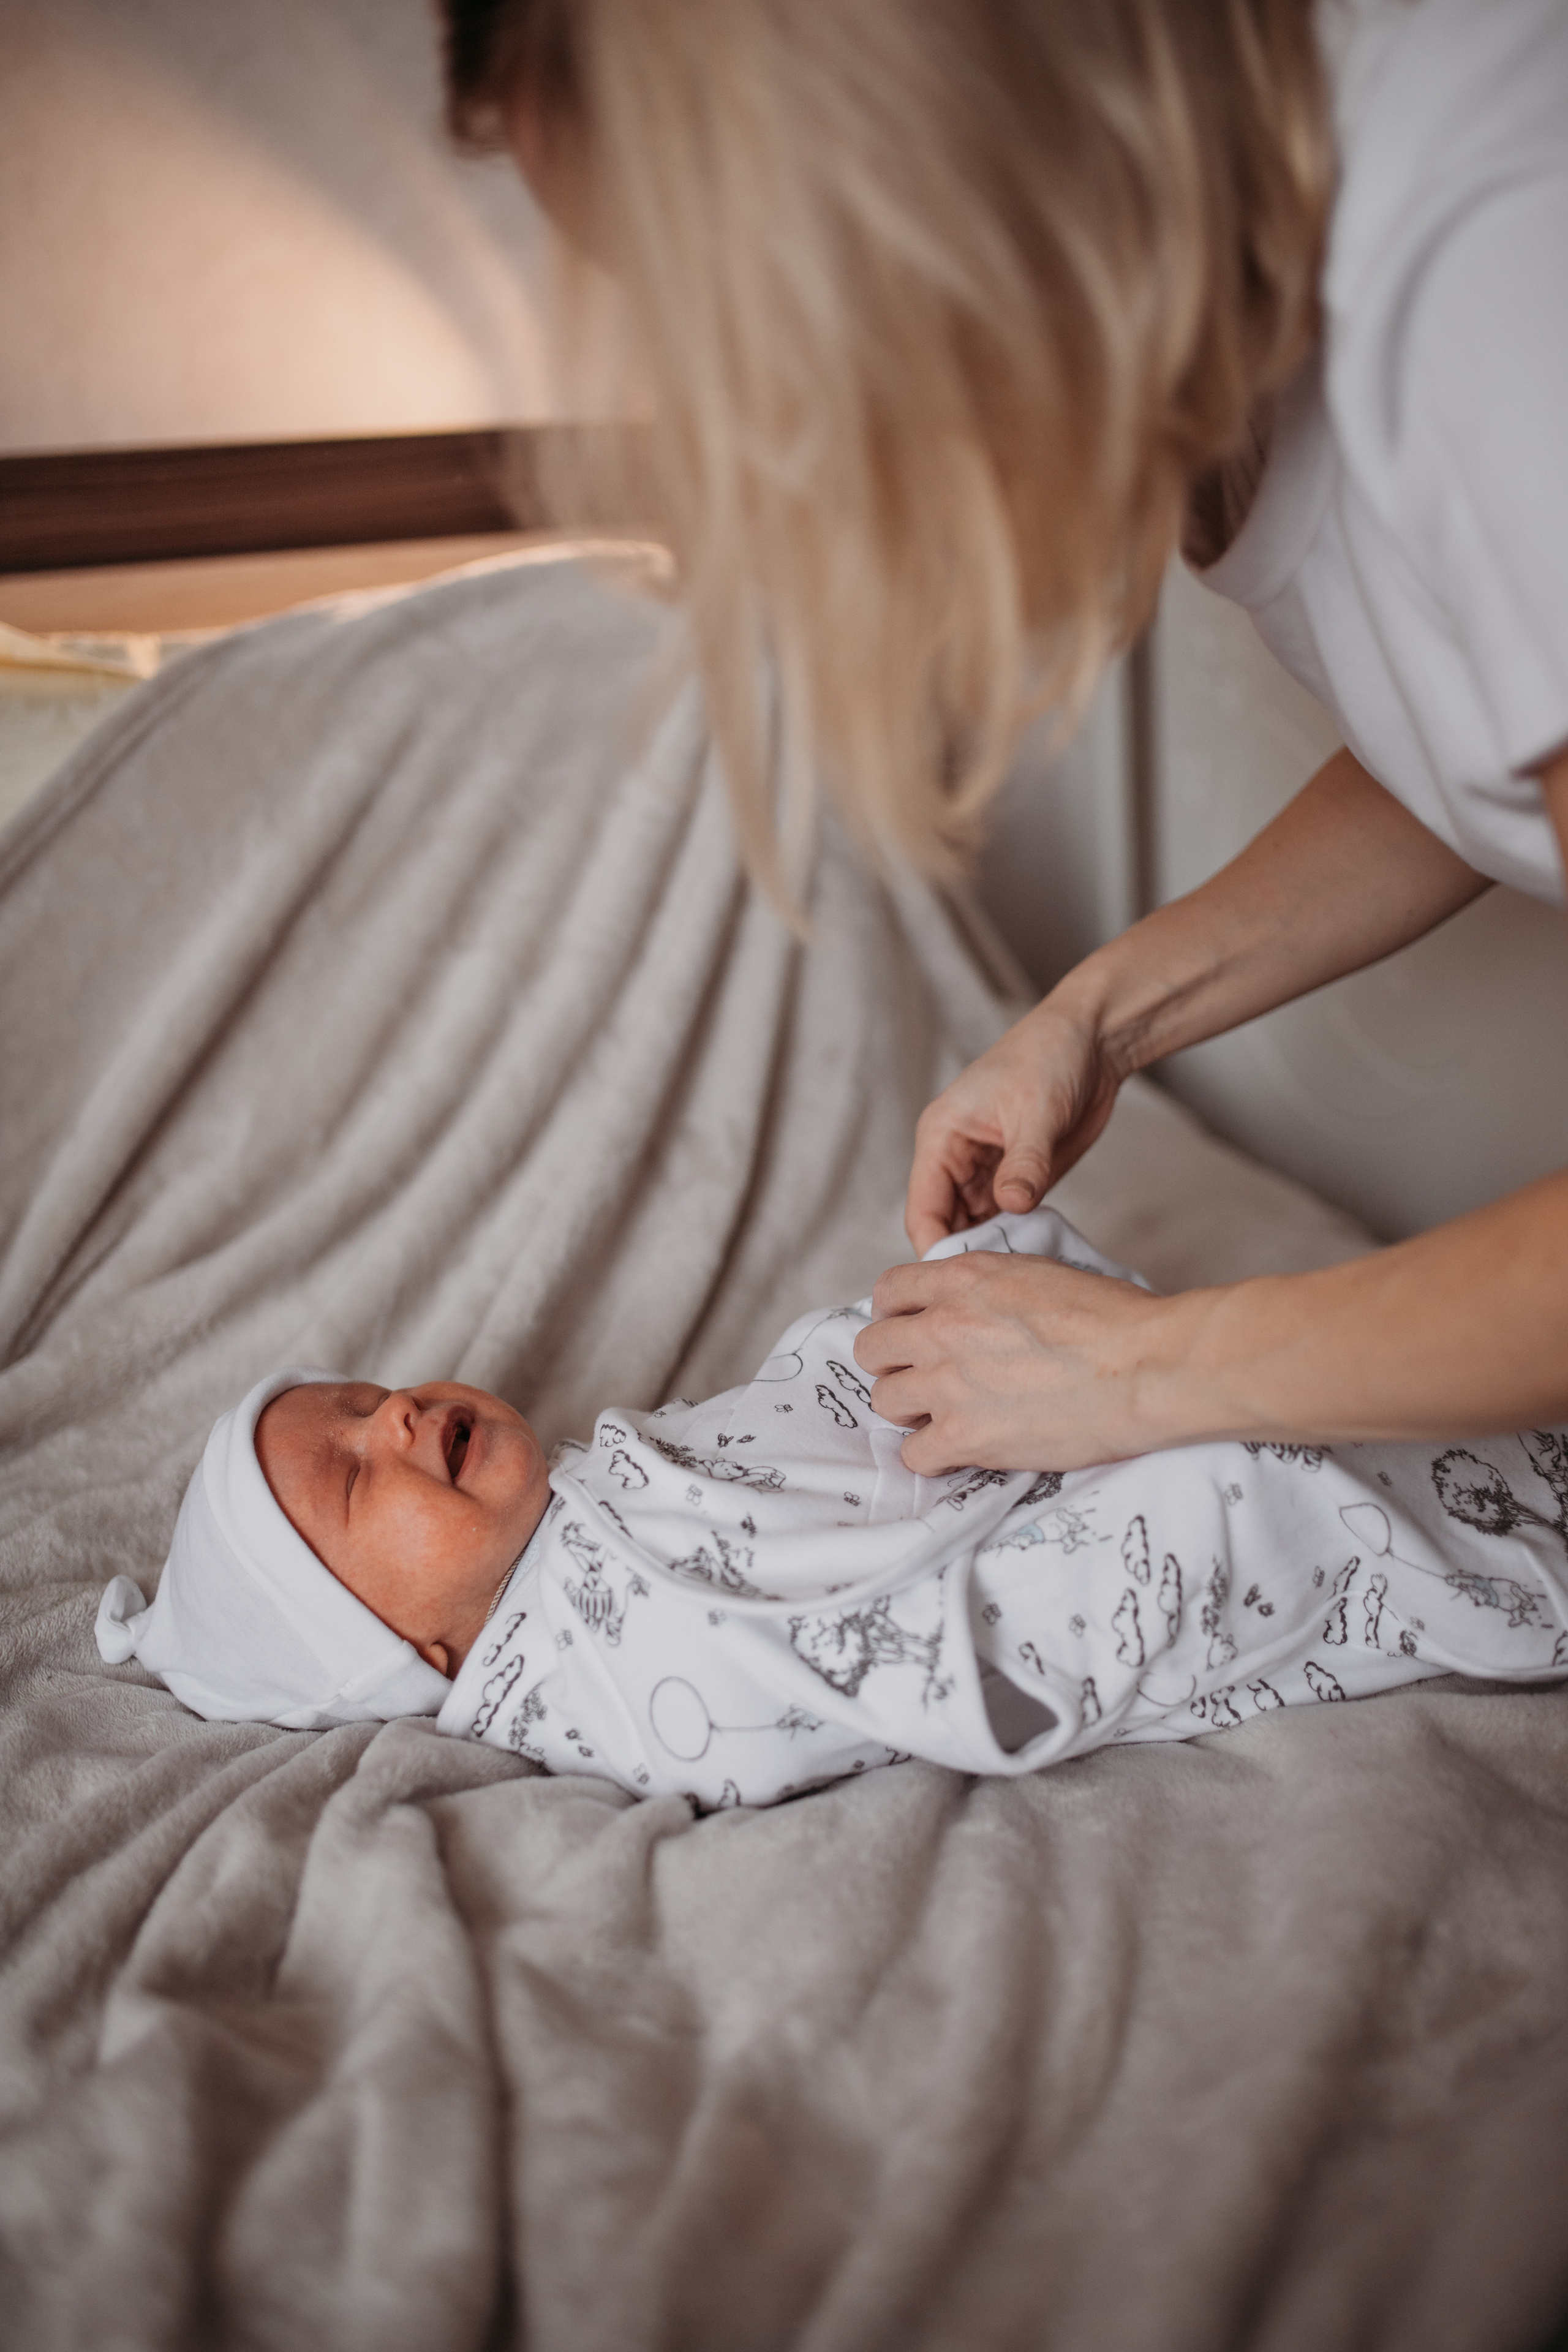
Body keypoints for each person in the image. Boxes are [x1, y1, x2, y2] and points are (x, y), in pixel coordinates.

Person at [442, 0, 1568, 1480]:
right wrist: (1095, 1018)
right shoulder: (1269, 300)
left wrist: (1143, 1369)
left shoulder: (1485, 268)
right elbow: (1478, 735)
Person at [95, 1208, 1568, 1811]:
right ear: (411, 1653)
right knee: (1281, 1482)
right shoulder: (613, 1678)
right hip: (1077, 1575)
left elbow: (795, 1430)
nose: (394, 1416)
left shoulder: (595, 1490)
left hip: (1028, 1457)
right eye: (352, 1477)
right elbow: (858, 1684)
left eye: (361, 1397)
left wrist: (904, 1328)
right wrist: (1118, 1529)